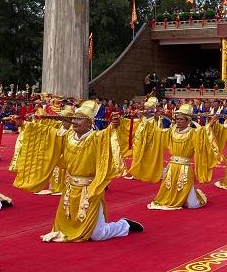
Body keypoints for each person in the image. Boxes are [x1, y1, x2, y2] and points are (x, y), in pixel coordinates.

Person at [13, 100, 143, 242]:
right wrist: (25, 125)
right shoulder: (67, 136)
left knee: (97, 234)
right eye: (74, 118)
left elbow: (109, 134)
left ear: (89, 123)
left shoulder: (96, 137)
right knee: (63, 229)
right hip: (70, 188)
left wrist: (114, 125)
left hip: (90, 190)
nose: (74, 121)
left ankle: (123, 225)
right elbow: (46, 134)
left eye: (79, 119)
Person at [147, 104, 222, 209]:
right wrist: (155, 119)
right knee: (169, 187)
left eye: (181, 119)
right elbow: (159, 133)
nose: (178, 121)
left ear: (188, 121)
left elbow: (204, 134)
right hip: (172, 166)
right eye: (177, 119)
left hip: (185, 167)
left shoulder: (192, 133)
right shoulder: (172, 131)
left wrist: (211, 122)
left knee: (192, 204)